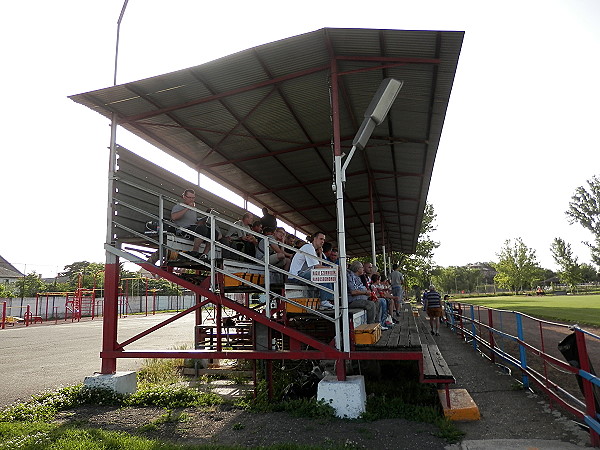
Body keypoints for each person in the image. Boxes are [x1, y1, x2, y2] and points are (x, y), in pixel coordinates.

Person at [171, 189, 222, 258]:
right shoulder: (178, 206)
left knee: (213, 232)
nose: (192, 200)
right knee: (201, 229)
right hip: (183, 229)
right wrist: (187, 208)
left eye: (193, 198)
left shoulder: (193, 209)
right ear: (184, 197)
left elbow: (195, 222)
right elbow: (174, 217)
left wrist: (206, 216)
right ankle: (195, 251)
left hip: (194, 229)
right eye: (190, 198)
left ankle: (204, 254)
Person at [289, 231, 334, 309]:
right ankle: (324, 301)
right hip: (296, 275)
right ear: (315, 239)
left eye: (323, 239)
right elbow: (317, 267)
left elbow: (318, 265)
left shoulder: (311, 249)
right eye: (321, 239)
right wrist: (333, 269)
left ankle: (325, 300)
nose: (322, 241)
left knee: (327, 273)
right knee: (325, 273)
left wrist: (320, 253)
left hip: (301, 274)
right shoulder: (308, 247)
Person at [361, 262, 388, 330]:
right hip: (365, 297)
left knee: (383, 300)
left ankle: (381, 323)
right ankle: (378, 323)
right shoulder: (362, 277)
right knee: (381, 301)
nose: (371, 269)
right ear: (364, 268)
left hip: (370, 296)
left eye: (371, 268)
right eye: (369, 267)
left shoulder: (367, 278)